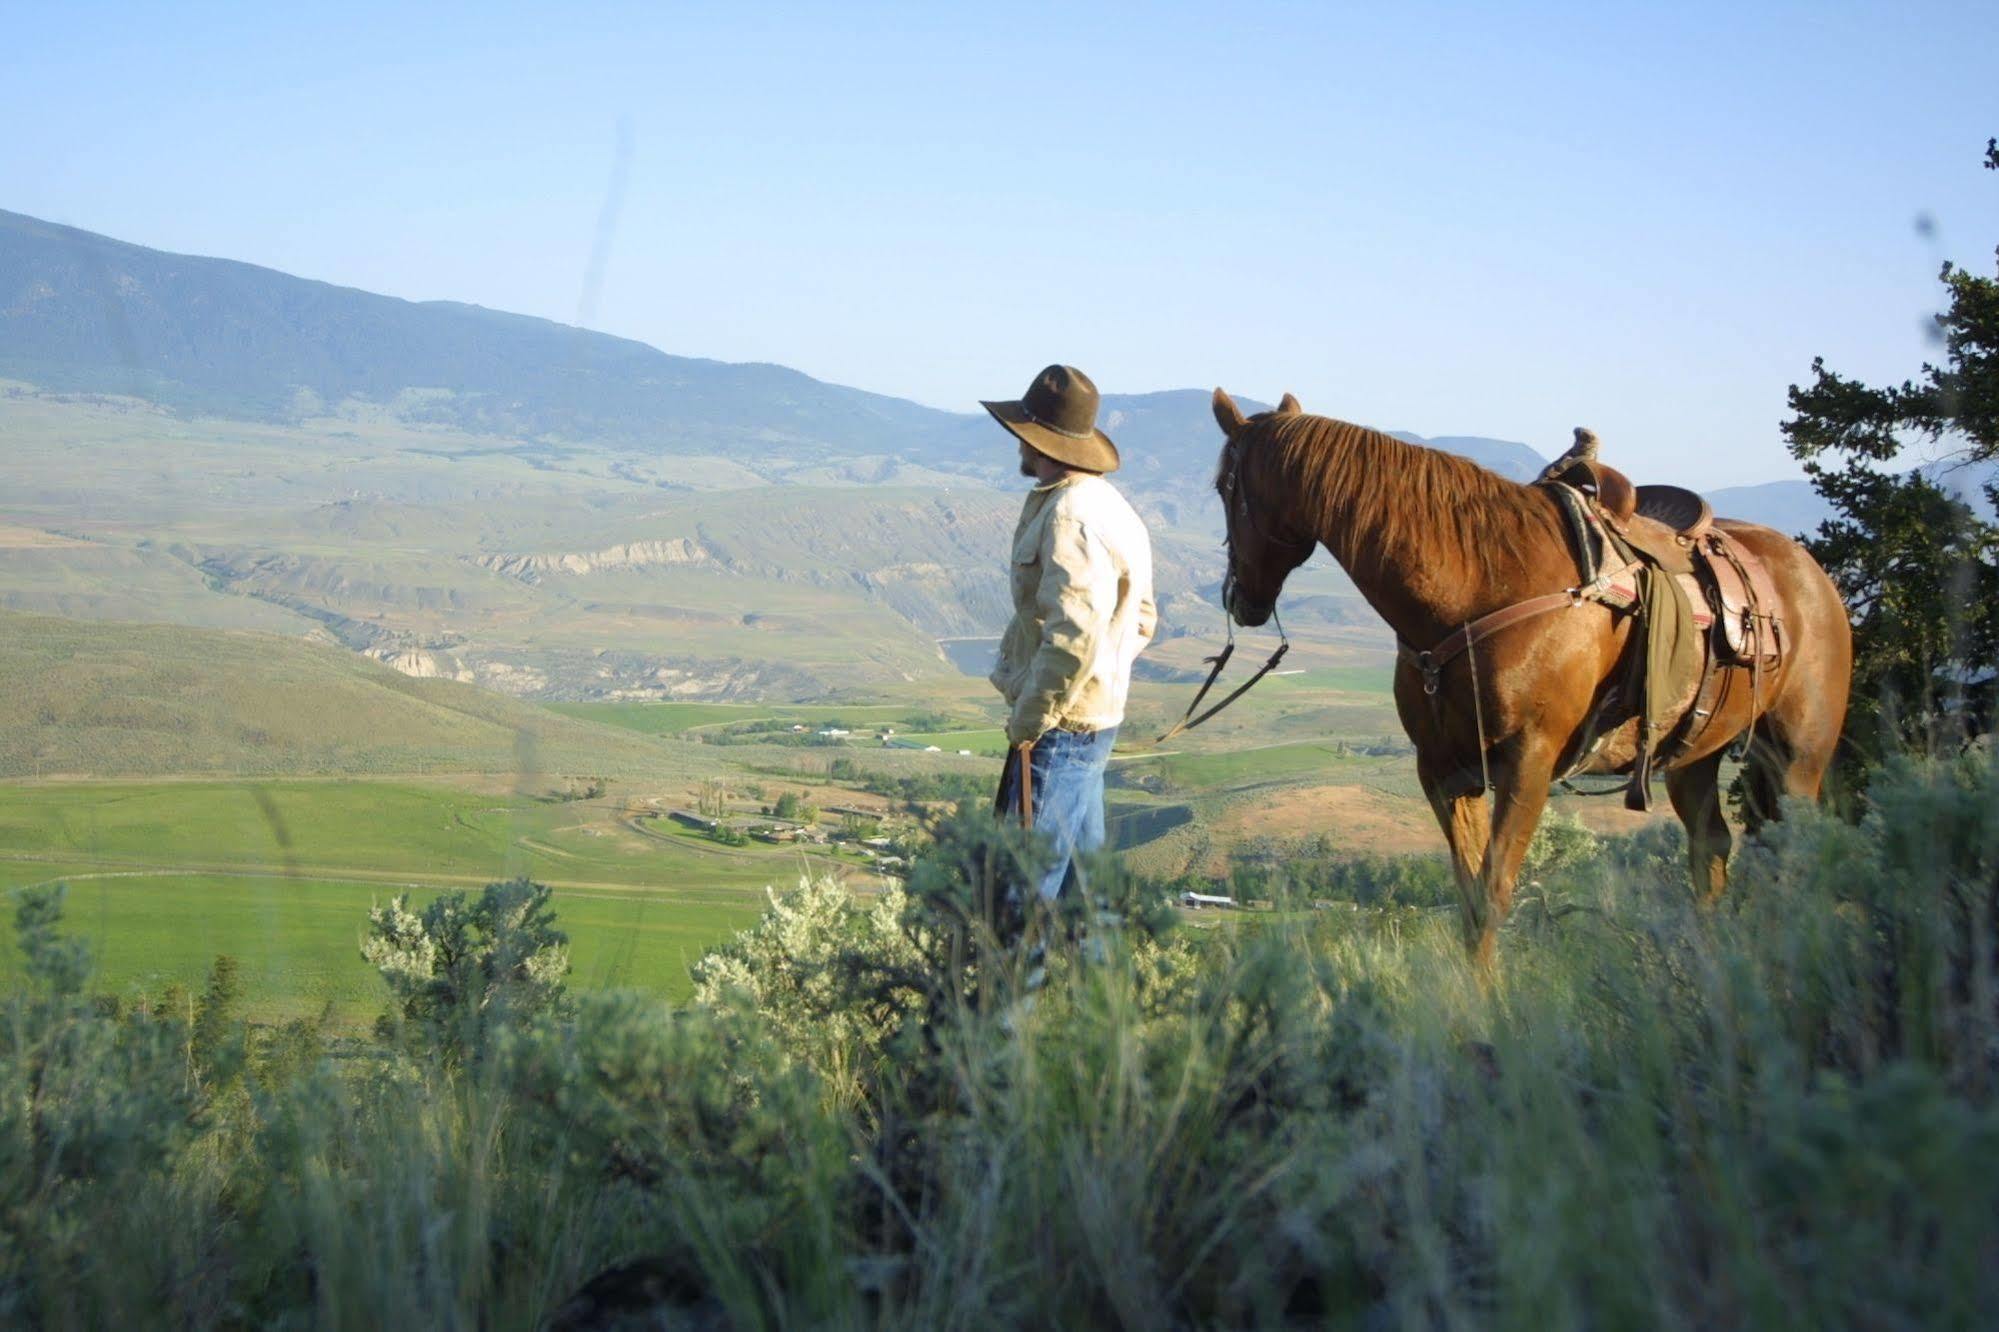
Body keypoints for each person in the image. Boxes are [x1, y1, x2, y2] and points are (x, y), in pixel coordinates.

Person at [980, 364, 1156, 902]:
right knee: (1087, 897)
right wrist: (1106, 672)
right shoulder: (1108, 505)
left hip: (1060, 729)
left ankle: (1010, 989)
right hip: (1093, 722)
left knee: (1022, 895)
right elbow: (1142, 617)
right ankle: (1096, 988)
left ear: (1041, 440)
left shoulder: (1070, 517)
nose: (1018, 447)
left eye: (1023, 436)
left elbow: (1073, 633)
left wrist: (1033, 717)